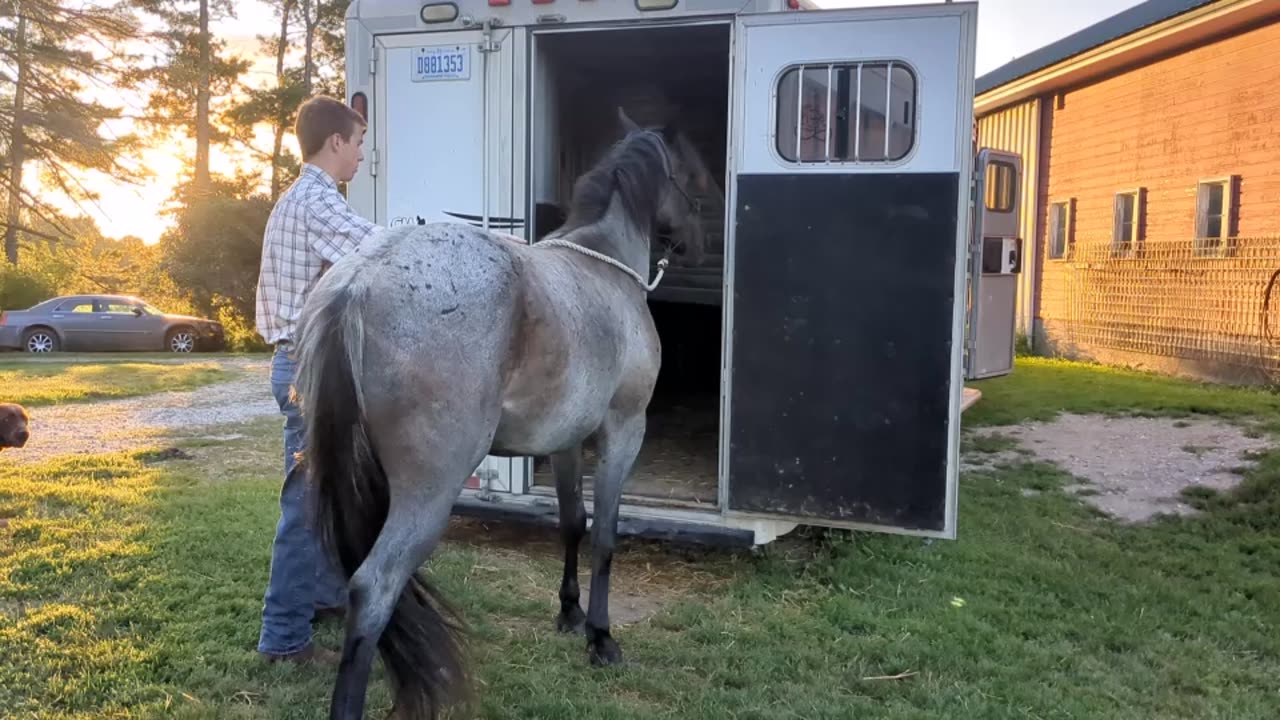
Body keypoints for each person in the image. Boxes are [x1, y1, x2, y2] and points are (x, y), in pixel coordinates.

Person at [253, 94, 382, 664]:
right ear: (335, 142)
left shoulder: (301, 197)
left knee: (329, 492)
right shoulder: (314, 200)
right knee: (304, 507)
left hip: (298, 361)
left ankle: (326, 598)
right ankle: (283, 639)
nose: (360, 155)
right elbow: (375, 247)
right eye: (357, 143)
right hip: (306, 368)